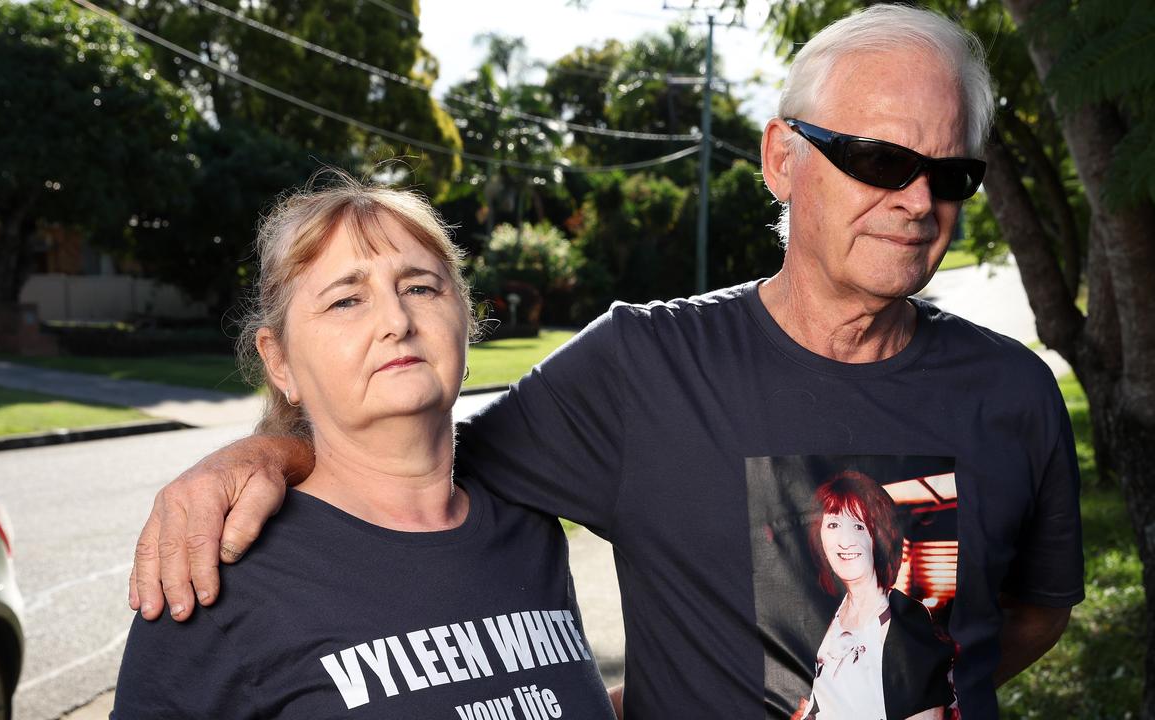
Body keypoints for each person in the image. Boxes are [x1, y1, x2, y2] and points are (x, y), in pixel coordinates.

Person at [128, 6, 1083, 718]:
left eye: (950, 174)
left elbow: (1028, 619)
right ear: (783, 158)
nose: (918, 200)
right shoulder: (640, 366)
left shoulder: (1015, 393)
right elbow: (404, 447)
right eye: (879, 160)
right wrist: (258, 455)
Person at [111, 175, 617, 718]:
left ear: (466, 321)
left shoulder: (525, 526)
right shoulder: (222, 577)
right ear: (279, 361)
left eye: (420, 287)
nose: (396, 322)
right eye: (347, 300)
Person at [793, 472, 952, 720]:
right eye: (833, 524)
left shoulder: (908, 619)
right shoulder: (821, 617)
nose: (845, 541)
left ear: (880, 537)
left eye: (858, 526)